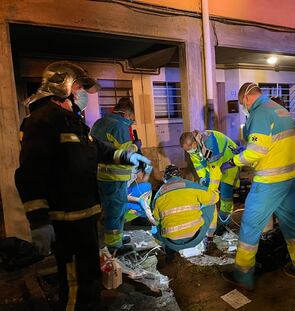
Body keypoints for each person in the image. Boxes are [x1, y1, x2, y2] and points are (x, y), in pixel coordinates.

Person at [15, 61, 147, 310]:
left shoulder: (71, 121)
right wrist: (39, 221)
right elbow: (29, 174)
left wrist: (128, 156)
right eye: (79, 86)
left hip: (85, 220)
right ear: (62, 86)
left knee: (89, 281)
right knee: (76, 286)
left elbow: (96, 148)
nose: (82, 93)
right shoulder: (42, 122)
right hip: (67, 224)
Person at [220, 82, 295, 290]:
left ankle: (243, 275)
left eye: (242, 103)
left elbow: (255, 152)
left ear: (247, 98)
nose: (243, 107)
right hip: (289, 180)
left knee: (249, 227)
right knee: (293, 226)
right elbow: (274, 144)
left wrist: (234, 160)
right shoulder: (281, 110)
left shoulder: (260, 113)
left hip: (268, 182)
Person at [91, 97, 152, 253]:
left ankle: (116, 238)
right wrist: (136, 146)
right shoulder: (120, 126)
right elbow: (126, 154)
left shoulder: (99, 123)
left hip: (99, 174)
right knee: (116, 210)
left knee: (111, 208)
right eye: (131, 119)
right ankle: (115, 247)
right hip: (115, 176)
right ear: (126, 114)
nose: (131, 122)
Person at [151, 165, 219, 252]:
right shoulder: (191, 185)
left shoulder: (158, 195)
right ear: (180, 176)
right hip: (195, 239)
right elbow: (214, 198)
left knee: (156, 225)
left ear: (164, 178)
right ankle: (209, 238)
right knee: (211, 203)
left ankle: (168, 250)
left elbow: (156, 221)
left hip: (172, 243)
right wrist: (214, 191)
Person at [180, 130, 240, 227]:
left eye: (189, 149)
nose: (188, 152)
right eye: (186, 150)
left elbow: (214, 169)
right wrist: (203, 177)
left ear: (194, 143)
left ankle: (225, 219)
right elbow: (198, 164)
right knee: (208, 186)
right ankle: (211, 215)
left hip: (229, 159)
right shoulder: (193, 147)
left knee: (225, 189)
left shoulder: (209, 143)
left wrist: (212, 190)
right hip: (214, 163)